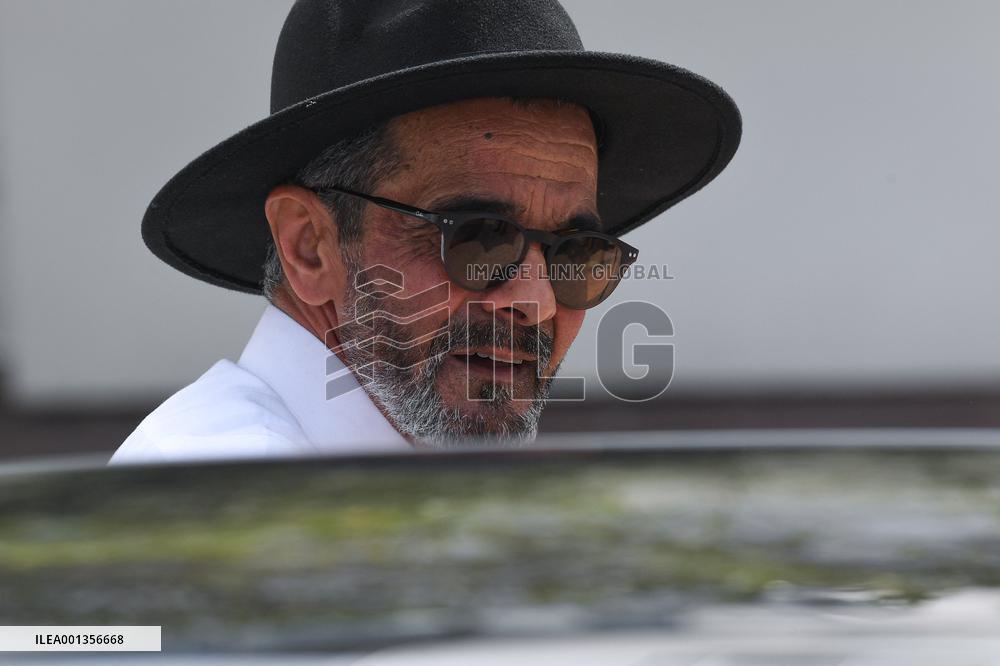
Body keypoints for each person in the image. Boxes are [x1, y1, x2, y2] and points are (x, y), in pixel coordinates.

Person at [111, 0, 741, 463]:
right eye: (480, 236)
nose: (535, 300)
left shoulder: (415, 490)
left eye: (577, 253)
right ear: (308, 244)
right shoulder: (220, 495)